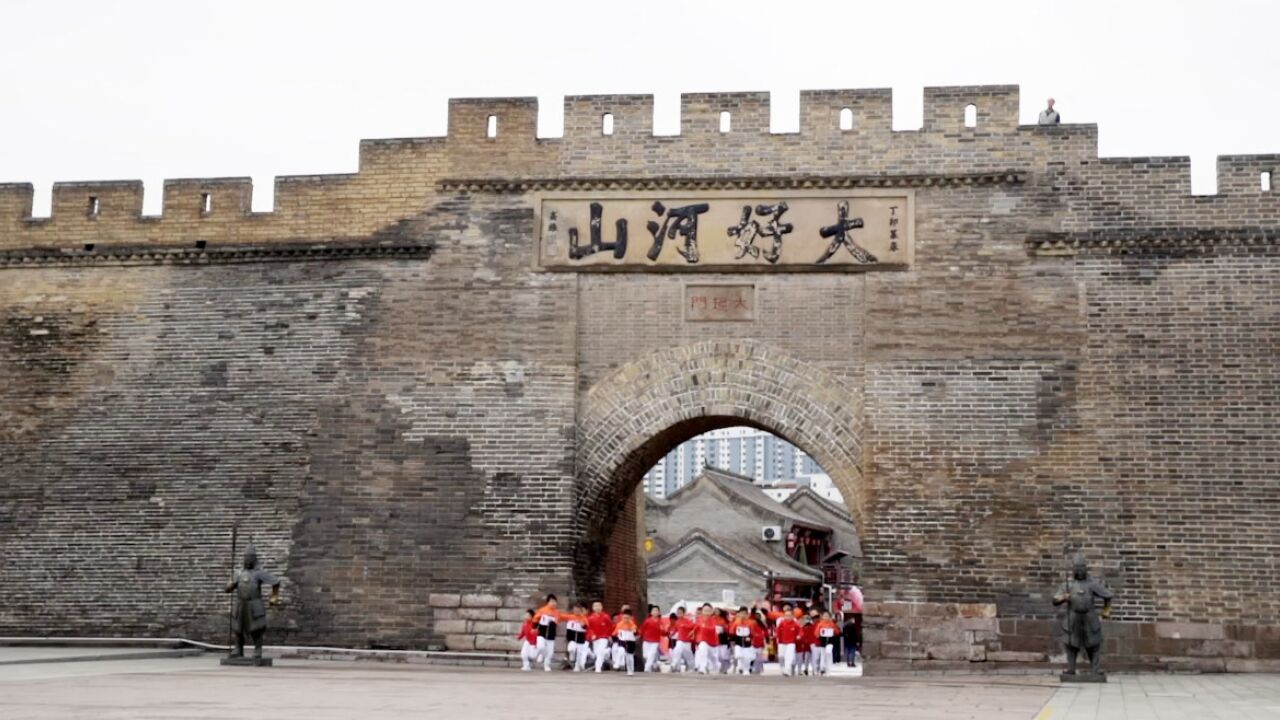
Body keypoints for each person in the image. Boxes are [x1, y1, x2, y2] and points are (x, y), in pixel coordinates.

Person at [533, 594, 561, 672]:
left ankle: (546, 665)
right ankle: (541, 654)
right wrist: (534, 627)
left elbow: (558, 621)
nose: (553, 603)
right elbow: (535, 619)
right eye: (551, 601)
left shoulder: (557, 612)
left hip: (551, 635)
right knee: (540, 646)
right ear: (548, 602)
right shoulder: (542, 610)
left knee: (550, 652)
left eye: (555, 602)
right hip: (542, 633)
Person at [586, 601, 614, 673]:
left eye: (599, 606)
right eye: (595, 606)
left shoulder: (606, 617)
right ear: (593, 608)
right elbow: (589, 628)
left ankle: (598, 667)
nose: (597, 607)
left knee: (600, 651)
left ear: (602, 607)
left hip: (604, 637)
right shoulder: (590, 618)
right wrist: (592, 634)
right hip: (595, 638)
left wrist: (609, 635)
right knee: (597, 652)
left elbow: (610, 626)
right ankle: (607, 652)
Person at [693, 604, 719, 674]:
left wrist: (705, 626)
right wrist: (693, 633)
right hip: (703, 641)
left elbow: (712, 628)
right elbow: (696, 627)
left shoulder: (714, 619)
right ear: (702, 611)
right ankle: (702, 668)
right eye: (705, 610)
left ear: (711, 612)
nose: (706, 612)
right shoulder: (699, 619)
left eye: (708, 611)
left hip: (713, 643)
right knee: (702, 650)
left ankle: (716, 666)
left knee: (713, 658)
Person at [670, 606, 697, 673]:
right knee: (677, 651)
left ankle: (692, 667)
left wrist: (687, 627)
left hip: (687, 641)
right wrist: (672, 634)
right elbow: (676, 629)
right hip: (680, 640)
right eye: (678, 613)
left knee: (688, 654)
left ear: (684, 613)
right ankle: (674, 665)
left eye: (680, 613)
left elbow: (694, 626)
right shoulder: (677, 622)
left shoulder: (687, 621)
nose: (679, 614)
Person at [564, 604, 590, 672]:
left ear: (580, 611)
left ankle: (577, 666)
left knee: (579, 653)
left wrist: (583, 625)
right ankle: (572, 658)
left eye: (578, 610)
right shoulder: (570, 617)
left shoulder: (584, 618)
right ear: (573, 610)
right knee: (571, 649)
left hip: (580, 639)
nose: (576, 611)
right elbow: (561, 616)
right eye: (575, 609)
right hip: (572, 639)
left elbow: (587, 627)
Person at [729, 607, 755, 675]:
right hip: (738, 642)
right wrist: (732, 640)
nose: (743, 615)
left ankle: (746, 669)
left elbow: (752, 633)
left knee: (747, 657)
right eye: (741, 614)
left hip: (747, 642)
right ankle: (740, 666)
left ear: (747, 614)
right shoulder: (736, 622)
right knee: (738, 655)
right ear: (739, 614)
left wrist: (751, 639)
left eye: (745, 614)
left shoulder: (751, 623)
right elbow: (732, 631)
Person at [776, 604, 799, 675]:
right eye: (786, 615)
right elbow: (778, 631)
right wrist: (778, 639)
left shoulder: (795, 623)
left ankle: (787, 670)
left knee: (788, 656)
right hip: (782, 642)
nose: (788, 617)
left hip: (791, 642)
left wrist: (799, 636)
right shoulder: (781, 622)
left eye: (789, 615)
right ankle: (782, 668)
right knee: (781, 656)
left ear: (792, 616)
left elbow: (800, 631)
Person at [614, 608, 639, 676]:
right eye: (624, 618)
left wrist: (634, 632)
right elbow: (615, 632)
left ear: (631, 618)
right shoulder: (619, 624)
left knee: (629, 656)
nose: (625, 619)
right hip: (622, 641)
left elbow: (636, 633)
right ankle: (617, 663)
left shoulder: (633, 625)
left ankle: (630, 670)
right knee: (621, 650)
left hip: (630, 642)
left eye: (627, 618)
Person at [640, 605, 664, 672]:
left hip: (655, 641)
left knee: (652, 654)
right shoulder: (647, 621)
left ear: (659, 612)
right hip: (646, 640)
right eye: (654, 610)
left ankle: (647, 668)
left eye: (657, 611)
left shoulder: (660, 622)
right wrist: (640, 636)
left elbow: (663, 631)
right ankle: (653, 665)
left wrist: (665, 632)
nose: (655, 612)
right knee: (646, 656)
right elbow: (642, 629)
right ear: (651, 612)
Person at [814, 611, 839, 675]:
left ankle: (829, 667)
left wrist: (832, 630)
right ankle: (822, 668)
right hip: (823, 640)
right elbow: (816, 633)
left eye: (827, 616)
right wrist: (818, 634)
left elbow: (837, 632)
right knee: (823, 654)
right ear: (822, 617)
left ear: (830, 617)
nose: (826, 617)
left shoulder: (832, 624)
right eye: (824, 616)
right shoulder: (820, 624)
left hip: (830, 641)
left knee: (828, 652)